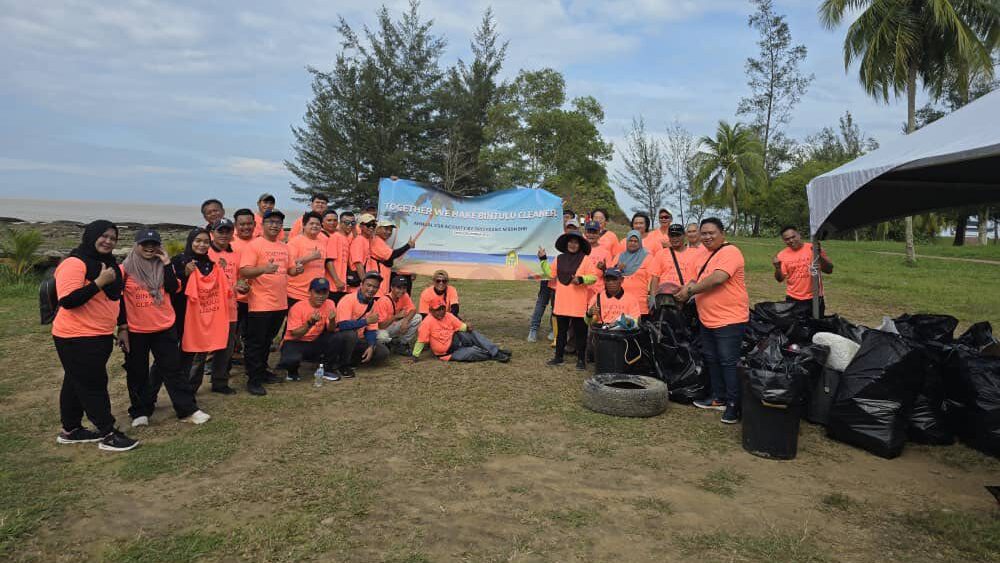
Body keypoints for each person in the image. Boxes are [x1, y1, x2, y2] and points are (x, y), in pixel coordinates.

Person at [51, 220, 139, 452]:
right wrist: (100, 282)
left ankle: (70, 430)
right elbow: (68, 301)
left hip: (99, 334)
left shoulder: (110, 266)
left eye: (113, 238)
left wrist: (122, 328)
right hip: (75, 335)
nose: (108, 241)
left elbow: (116, 299)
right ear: (91, 236)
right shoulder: (74, 263)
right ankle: (108, 433)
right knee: (93, 384)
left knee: (75, 381)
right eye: (104, 236)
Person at [119, 228, 208, 427]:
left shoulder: (164, 266)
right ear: (137, 245)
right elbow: (118, 301)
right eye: (145, 244)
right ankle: (140, 411)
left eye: (154, 244)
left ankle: (187, 409)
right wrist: (122, 327)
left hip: (164, 326)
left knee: (173, 371)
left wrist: (167, 263)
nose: (150, 248)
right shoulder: (125, 269)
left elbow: (172, 288)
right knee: (137, 372)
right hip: (136, 329)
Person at [675, 218, 749, 425]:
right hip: (706, 317)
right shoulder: (700, 254)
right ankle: (718, 398)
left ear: (722, 233)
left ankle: (733, 404)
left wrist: (690, 291)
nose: (707, 237)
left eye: (711, 233)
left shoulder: (731, 252)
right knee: (712, 358)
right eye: (704, 233)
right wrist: (682, 293)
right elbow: (693, 279)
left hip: (730, 319)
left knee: (728, 361)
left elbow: (717, 278)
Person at [239, 209, 302, 396]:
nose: (275, 225)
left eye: (278, 223)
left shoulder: (285, 246)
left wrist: (296, 270)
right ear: (263, 224)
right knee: (256, 343)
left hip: (280, 303)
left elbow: (289, 270)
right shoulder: (254, 245)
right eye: (271, 222)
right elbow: (245, 271)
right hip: (260, 303)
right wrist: (264, 269)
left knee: (267, 342)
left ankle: (262, 371)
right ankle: (253, 379)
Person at [173, 229, 231, 402]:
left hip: (198, 319)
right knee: (169, 359)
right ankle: (154, 396)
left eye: (206, 241)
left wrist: (220, 270)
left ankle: (187, 393)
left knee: (191, 357)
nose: (202, 244)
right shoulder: (178, 261)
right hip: (177, 317)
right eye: (198, 241)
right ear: (190, 241)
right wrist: (184, 275)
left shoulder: (211, 264)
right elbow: (169, 287)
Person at [539, 231, 597, 369]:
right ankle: (558, 357)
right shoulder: (559, 258)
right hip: (562, 303)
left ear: (580, 245)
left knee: (580, 334)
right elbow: (550, 273)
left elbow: (594, 277)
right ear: (566, 244)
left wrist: (581, 279)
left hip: (578, 304)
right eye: (570, 242)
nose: (572, 244)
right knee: (561, 334)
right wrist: (543, 259)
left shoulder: (585, 259)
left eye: (576, 242)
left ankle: (581, 360)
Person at [277, 278, 355, 381]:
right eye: (317, 292)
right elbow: (295, 334)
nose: (321, 296)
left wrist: (332, 321)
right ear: (310, 292)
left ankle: (327, 369)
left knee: (338, 337)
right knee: (291, 359)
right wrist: (310, 323)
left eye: (324, 292)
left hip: (315, 341)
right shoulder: (297, 307)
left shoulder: (330, 303)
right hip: (295, 342)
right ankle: (292, 371)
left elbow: (331, 330)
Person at [201, 218, 246, 394]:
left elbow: (238, 278)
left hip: (230, 308)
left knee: (226, 349)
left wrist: (243, 286)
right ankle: (190, 385)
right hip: (209, 309)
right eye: (221, 231)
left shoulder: (235, 255)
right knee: (201, 350)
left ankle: (219, 383)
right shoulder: (205, 253)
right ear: (213, 233)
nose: (224, 235)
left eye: (228, 231)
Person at [410, 297, 511, 362]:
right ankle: (494, 354)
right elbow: (421, 341)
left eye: (442, 308)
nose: (441, 312)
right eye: (437, 309)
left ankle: (496, 351)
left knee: (472, 333)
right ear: (431, 310)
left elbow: (461, 326)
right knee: (472, 353)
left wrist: (468, 326)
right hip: (448, 353)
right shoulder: (427, 322)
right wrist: (415, 356)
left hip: (458, 339)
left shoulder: (448, 315)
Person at [335, 272, 390, 373]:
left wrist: (371, 345)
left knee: (383, 352)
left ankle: (351, 359)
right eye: (368, 285)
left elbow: (371, 329)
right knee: (351, 334)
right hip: (341, 338)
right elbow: (342, 325)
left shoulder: (373, 303)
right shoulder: (348, 300)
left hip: (359, 339)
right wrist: (365, 321)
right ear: (361, 285)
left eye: (375, 287)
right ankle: (343, 365)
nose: (371, 289)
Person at [773, 226, 833, 317]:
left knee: (816, 327)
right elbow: (780, 279)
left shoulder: (813, 248)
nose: (791, 240)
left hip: (815, 298)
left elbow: (829, 270)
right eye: (787, 239)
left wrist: (818, 254)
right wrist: (777, 268)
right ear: (784, 240)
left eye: (793, 237)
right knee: (796, 328)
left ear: (799, 235)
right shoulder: (782, 255)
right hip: (793, 299)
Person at [612, 230, 658, 318]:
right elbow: (610, 276)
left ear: (640, 242)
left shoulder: (648, 257)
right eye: (630, 240)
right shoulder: (619, 257)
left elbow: (652, 279)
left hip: (641, 304)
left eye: (635, 241)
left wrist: (651, 296)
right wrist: (617, 269)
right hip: (620, 304)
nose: (632, 243)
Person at [286, 211, 327, 307]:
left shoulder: (323, 242)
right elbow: (288, 264)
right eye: (311, 223)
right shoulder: (295, 242)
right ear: (304, 225)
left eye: (317, 224)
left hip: (316, 294)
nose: (315, 226)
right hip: (296, 293)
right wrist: (309, 258)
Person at [230, 208, 256, 352]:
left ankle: (248, 360)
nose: (246, 227)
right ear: (235, 225)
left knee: (251, 333)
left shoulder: (260, 242)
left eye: (249, 224)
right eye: (242, 224)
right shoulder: (230, 244)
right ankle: (218, 361)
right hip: (234, 297)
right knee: (230, 331)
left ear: (254, 224)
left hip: (255, 297)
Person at [376, 275, 422, 354]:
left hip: (394, 325)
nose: (401, 290)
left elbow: (413, 310)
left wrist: (406, 321)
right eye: (398, 288)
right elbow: (381, 326)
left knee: (417, 317)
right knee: (383, 336)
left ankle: (401, 344)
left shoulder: (405, 295)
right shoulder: (383, 300)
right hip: (382, 329)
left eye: (404, 288)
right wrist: (395, 317)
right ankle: (387, 344)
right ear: (392, 287)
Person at [369, 219, 415, 295]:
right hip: (379, 283)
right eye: (386, 229)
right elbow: (392, 255)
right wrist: (408, 245)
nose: (389, 232)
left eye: (390, 230)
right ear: (377, 229)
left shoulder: (381, 242)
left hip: (382, 281)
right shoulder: (377, 241)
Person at [652, 223, 697, 288]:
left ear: (684, 236)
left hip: (687, 294)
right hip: (665, 295)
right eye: (672, 235)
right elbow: (655, 278)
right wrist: (653, 297)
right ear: (668, 237)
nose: (675, 238)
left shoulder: (695, 253)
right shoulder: (660, 254)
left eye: (678, 235)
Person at [325, 211, 356, 303]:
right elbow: (329, 261)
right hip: (334, 286)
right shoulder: (335, 237)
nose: (349, 225)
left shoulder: (346, 238)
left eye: (352, 223)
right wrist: (337, 280)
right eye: (346, 222)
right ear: (340, 223)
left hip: (342, 285)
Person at [349, 213, 378, 285]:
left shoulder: (367, 239)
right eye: (368, 225)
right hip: (359, 283)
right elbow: (358, 263)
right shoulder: (359, 240)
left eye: (374, 225)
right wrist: (365, 283)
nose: (371, 227)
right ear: (361, 226)